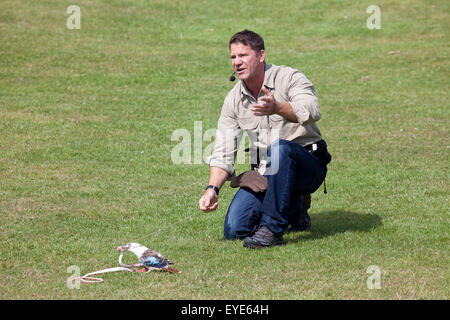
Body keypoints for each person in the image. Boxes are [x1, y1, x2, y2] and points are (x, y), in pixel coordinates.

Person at [198, 30, 331, 249]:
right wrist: (212, 189)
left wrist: (278, 107)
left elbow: (312, 109)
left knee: (280, 149)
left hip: (307, 167)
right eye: (233, 57)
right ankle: (293, 208)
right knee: (235, 229)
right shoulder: (233, 100)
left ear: (261, 55)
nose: (237, 62)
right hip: (267, 172)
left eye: (243, 55)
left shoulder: (289, 78)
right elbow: (223, 150)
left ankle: (272, 230)